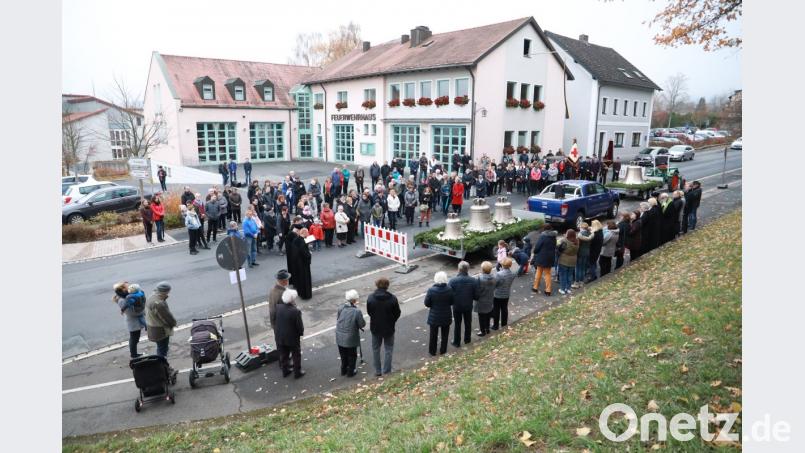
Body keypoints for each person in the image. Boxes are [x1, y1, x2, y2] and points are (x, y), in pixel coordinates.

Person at [366, 277, 400, 376]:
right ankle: (387, 370)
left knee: (376, 349)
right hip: (389, 328)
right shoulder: (392, 298)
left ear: (377, 285)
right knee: (388, 349)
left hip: (375, 328)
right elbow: (397, 313)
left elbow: (369, 312)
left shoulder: (371, 298)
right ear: (387, 286)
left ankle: (378, 370)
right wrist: (392, 321)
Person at [145, 281, 177, 374]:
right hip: (160, 330)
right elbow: (167, 318)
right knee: (162, 351)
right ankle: (164, 369)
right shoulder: (158, 303)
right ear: (165, 291)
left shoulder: (151, 297)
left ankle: (162, 368)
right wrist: (173, 323)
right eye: (168, 291)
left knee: (160, 348)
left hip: (152, 328)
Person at [275, 289, 305, 379]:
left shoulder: (278, 307)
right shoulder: (295, 311)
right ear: (292, 299)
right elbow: (299, 326)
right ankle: (297, 372)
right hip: (292, 338)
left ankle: (285, 371)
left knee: (284, 354)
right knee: (296, 355)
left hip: (280, 336)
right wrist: (301, 334)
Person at [336, 289, 366, 377]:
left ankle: (343, 369)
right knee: (352, 355)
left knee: (343, 354)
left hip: (339, 334)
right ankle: (350, 371)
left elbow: (338, 319)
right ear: (354, 300)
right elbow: (362, 324)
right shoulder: (357, 311)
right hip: (350, 336)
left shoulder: (341, 308)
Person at [424, 271, 454, 356]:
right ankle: (443, 350)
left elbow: (427, 303)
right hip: (446, 315)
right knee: (445, 335)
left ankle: (432, 351)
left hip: (434, 316)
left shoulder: (431, 290)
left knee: (433, 335)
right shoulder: (449, 289)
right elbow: (452, 302)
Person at [113, 282, 146, 359]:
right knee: (134, 338)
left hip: (135, 321)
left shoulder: (126, 296)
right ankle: (134, 355)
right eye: (127, 286)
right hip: (133, 322)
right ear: (122, 289)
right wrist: (142, 311)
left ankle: (134, 354)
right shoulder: (122, 300)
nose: (129, 287)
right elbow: (131, 313)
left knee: (135, 338)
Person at [448, 261, 477, 347]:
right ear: (468, 269)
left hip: (457, 306)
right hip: (468, 306)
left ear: (459, 269)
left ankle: (456, 342)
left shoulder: (452, 281)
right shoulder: (473, 280)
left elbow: (449, 295)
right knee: (468, 323)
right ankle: (467, 340)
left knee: (457, 324)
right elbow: (476, 296)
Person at [531, 224, 557, 295]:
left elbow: (537, 247)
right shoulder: (554, 237)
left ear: (544, 229)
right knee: (547, 274)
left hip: (541, 257)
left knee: (539, 272)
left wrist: (535, 252)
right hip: (550, 257)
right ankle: (548, 290)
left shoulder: (542, 236)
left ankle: (535, 287)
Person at [491, 258, 516, 330]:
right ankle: (504, 324)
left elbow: (494, 284)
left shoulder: (498, 274)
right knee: (504, 308)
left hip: (497, 295)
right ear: (510, 265)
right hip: (506, 294)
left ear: (502, 265)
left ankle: (495, 326)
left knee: (496, 309)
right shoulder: (512, 274)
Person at [289, 227, 313, 300]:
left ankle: (300, 293)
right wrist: (309, 253)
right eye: (307, 232)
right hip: (303, 263)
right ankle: (306, 295)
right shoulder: (302, 241)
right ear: (304, 233)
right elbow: (305, 253)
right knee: (305, 279)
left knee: (300, 278)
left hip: (297, 262)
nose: (308, 234)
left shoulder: (296, 240)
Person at [474, 261, 496, 336]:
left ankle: (482, 331)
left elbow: (477, 290)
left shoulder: (479, 279)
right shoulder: (494, 277)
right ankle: (487, 329)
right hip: (489, 299)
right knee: (488, 315)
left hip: (481, 301)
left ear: (482, 269)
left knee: (481, 317)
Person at [557, 230, 579, 295]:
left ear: (568, 235)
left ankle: (562, 289)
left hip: (564, 261)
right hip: (573, 261)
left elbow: (560, 249)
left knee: (563, 275)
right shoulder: (577, 242)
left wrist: (563, 238)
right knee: (569, 275)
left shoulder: (565, 242)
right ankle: (568, 288)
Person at [574, 223, 592, 288]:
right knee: (583, 268)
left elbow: (577, 244)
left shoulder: (580, 235)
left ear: (582, 228)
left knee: (578, 268)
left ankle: (577, 282)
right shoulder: (589, 233)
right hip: (587, 252)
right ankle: (581, 282)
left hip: (580, 253)